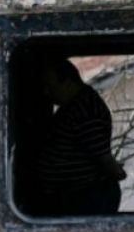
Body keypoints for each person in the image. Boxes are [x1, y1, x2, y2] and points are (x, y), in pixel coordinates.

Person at [28, 54, 126, 216]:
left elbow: (103, 157)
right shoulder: (72, 106)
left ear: (67, 82)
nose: (46, 92)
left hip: (84, 199)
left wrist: (117, 172)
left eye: (50, 86)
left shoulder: (86, 111)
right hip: (71, 197)